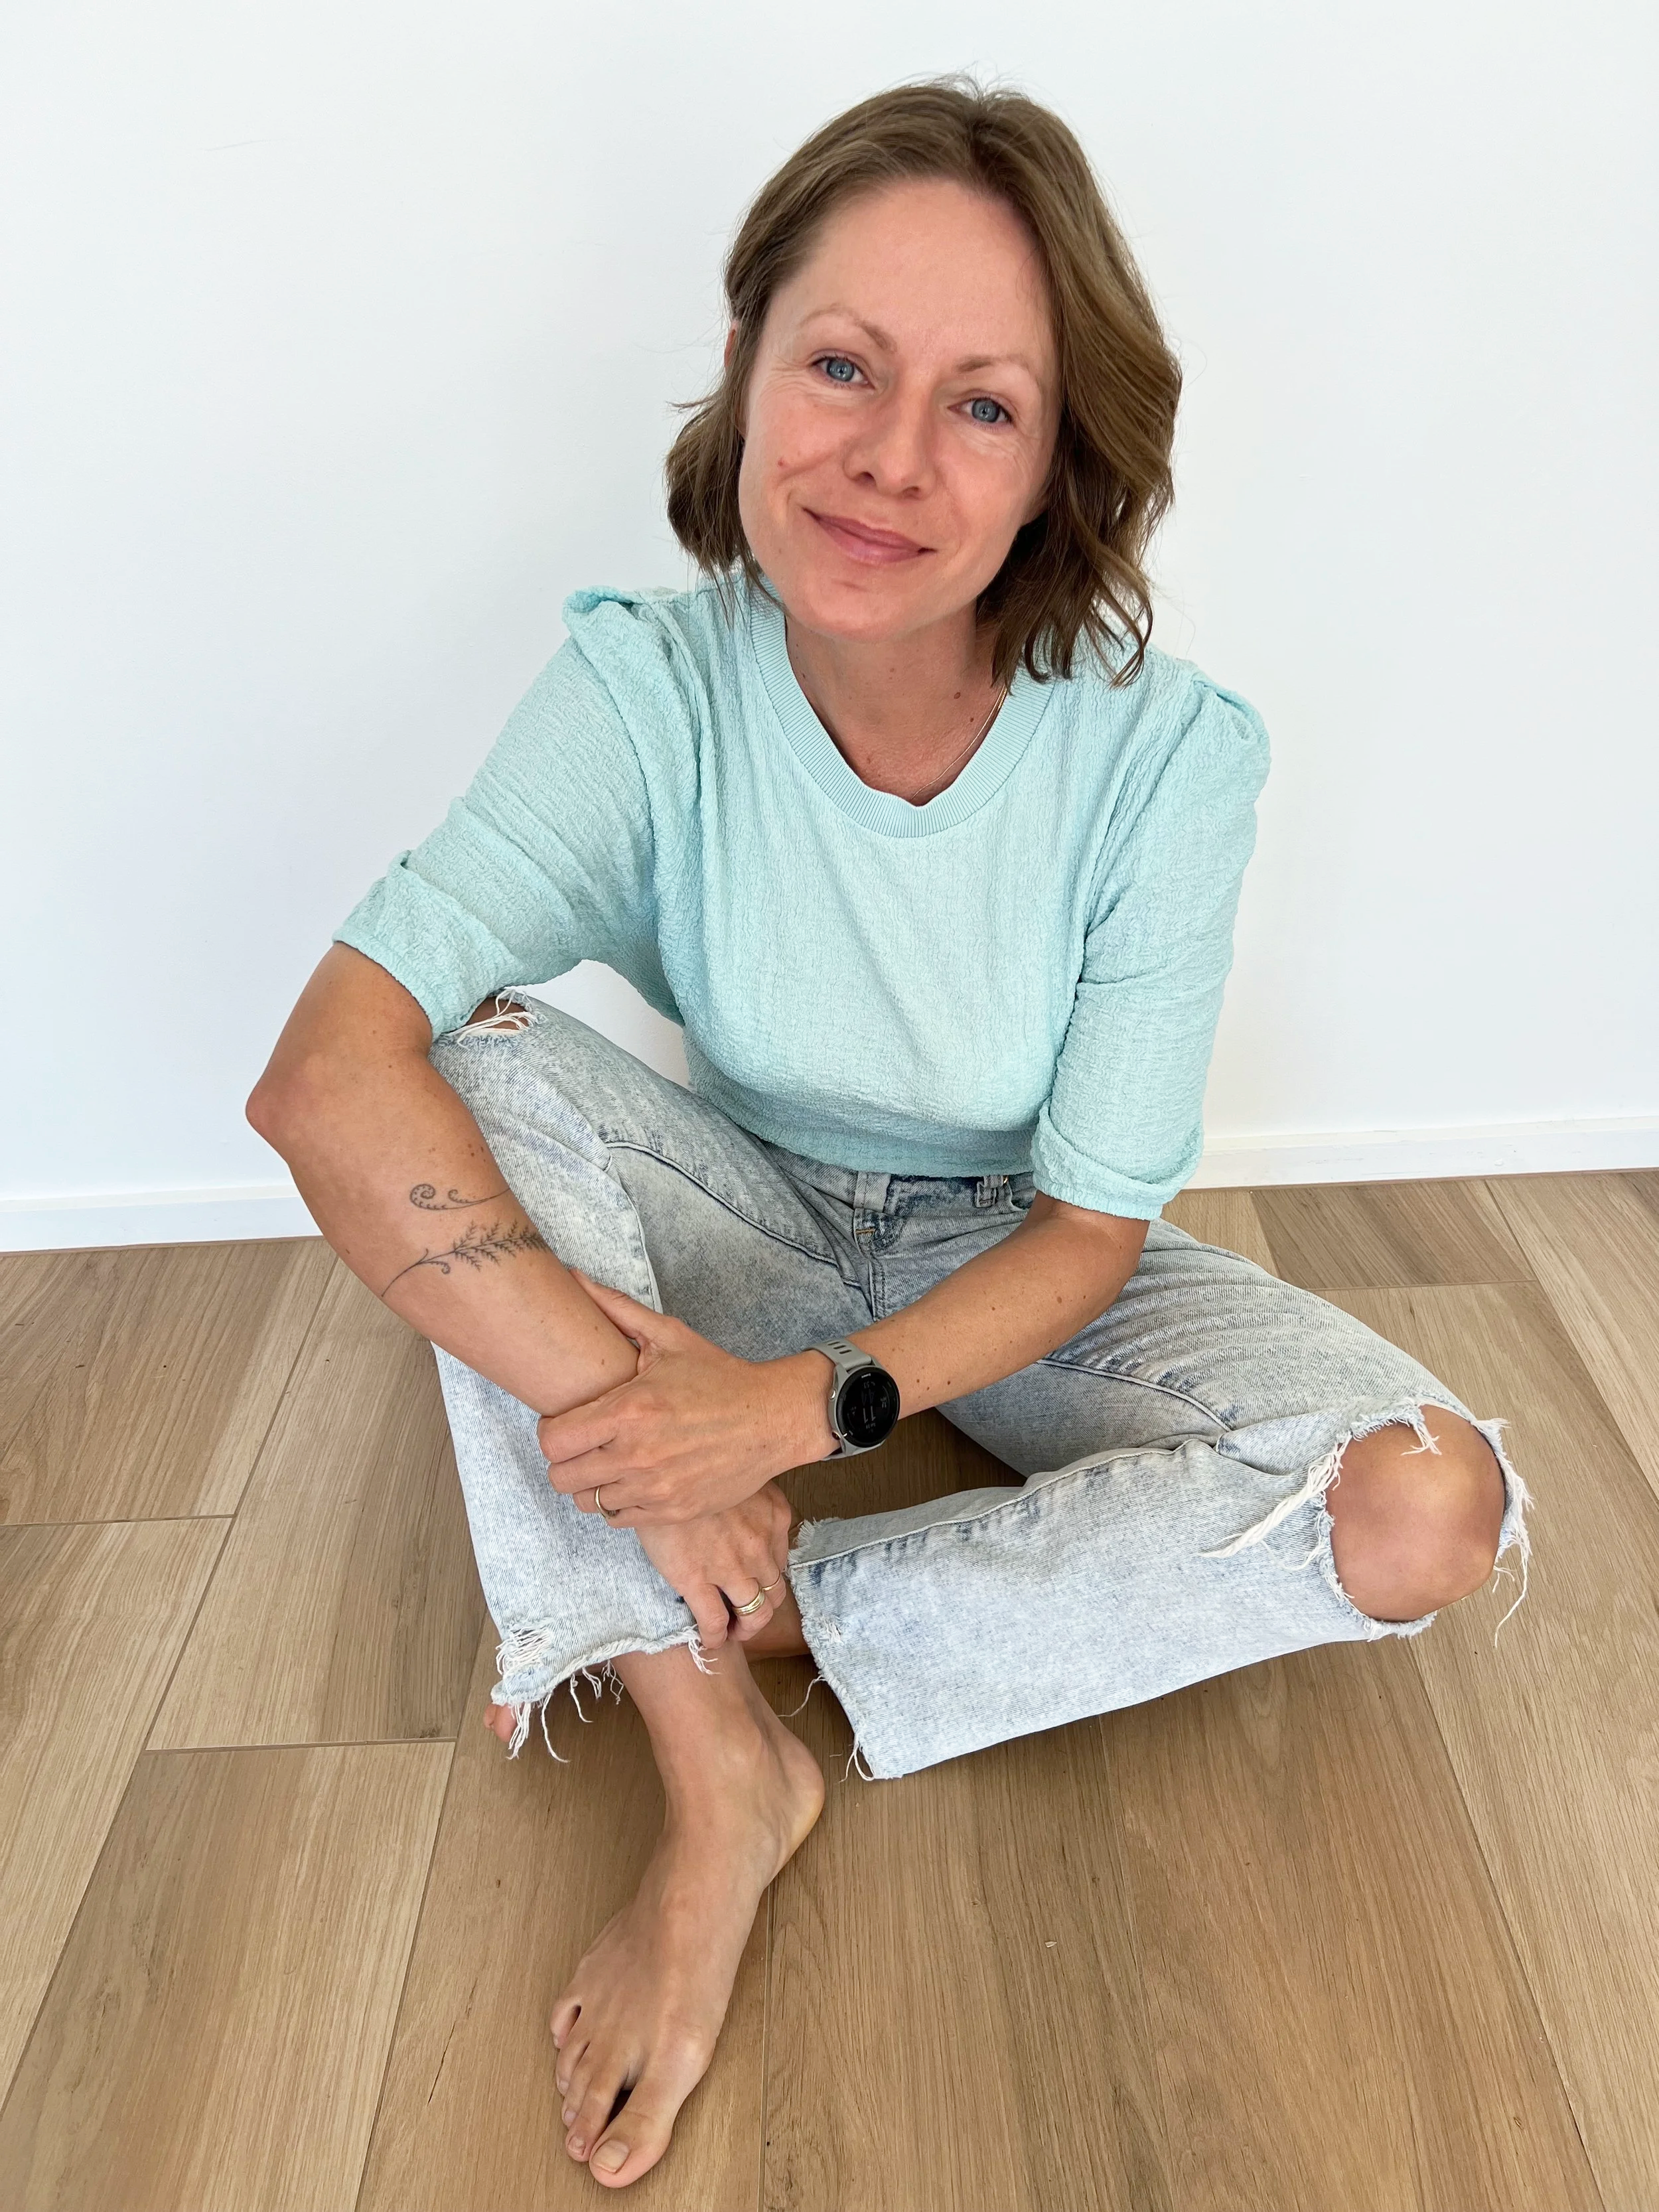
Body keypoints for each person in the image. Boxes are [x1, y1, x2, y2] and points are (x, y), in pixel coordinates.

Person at [248, 79, 1528, 2193]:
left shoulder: (1166, 760)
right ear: (749, 363)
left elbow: (1096, 1224)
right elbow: (323, 1071)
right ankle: (712, 1762)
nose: (886, 460)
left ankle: (787, 1615)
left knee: (1421, 1510)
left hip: (1004, 1261)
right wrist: (638, 1406)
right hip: (732, 1205)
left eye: (983, 406)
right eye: (840, 366)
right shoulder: (650, 688)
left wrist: (787, 1421)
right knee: (442, 1075)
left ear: (1061, 465)